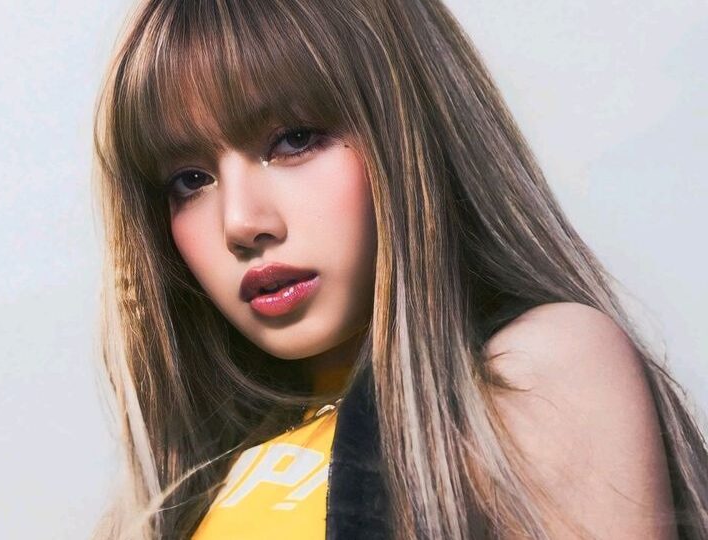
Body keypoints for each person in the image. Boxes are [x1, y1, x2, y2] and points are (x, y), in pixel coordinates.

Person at [90, 1, 708, 538]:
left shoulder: (524, 375)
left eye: (295, 139)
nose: (241, 222)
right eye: (190, 179)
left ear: (410, 130)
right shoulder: (182, 492)